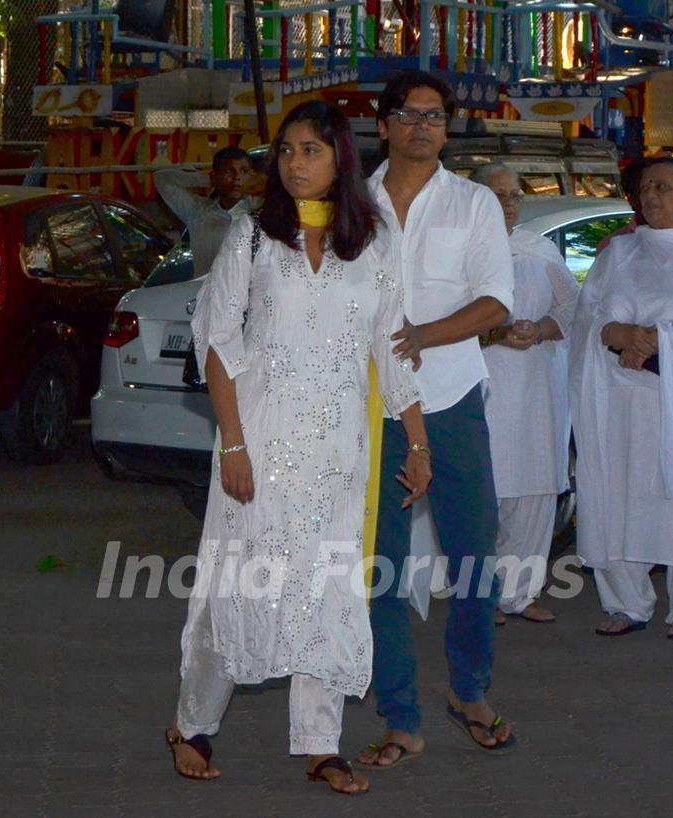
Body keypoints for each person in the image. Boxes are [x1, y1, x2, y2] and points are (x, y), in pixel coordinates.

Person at [165, 100, 432, 793]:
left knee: (325, 591)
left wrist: (416, 441)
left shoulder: (373, 241)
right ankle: (192, 722)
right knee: (240, 586)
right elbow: (217, 343)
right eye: (285, 151)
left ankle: (321, 743)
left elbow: (390, 345)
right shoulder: (253, 237)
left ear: (340, 158)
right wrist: (233, 447)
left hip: (339, 449)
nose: (294, 164)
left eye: (310, 150)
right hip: (257, 436)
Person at [357, 70, 516, 768]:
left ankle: (470, 690)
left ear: (447, 128)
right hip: (370, 408)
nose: (422, 125)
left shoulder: (474, 204)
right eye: (409, 114)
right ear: (384, 123)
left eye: (434, 115)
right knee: (381, 568)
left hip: (451, 401)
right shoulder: (351, 204)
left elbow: (497, 306)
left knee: (476, 552)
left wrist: (424, 335)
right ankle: (400, 716)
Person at [570, 156, 673, 640]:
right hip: (617, 395)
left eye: (664, 188)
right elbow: (587, 316)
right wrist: (615, 333)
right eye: (646, 188)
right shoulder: (618, 255)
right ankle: (626, 600)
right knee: (618, 491)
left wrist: (658, 340)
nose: (652, 196)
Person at [469, 163, 579, 625]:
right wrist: (492, 335)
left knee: (533, 489)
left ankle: (521, 593)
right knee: (483, 491)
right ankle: (479, 596)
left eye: (514, 195)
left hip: (536, 386)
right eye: (497, 195)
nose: (508, 203)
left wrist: (541, 329)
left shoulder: (538, 251)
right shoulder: (461, 252)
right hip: (482, 383)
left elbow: (573, 308)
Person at [154, 146, 253, 277]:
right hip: (205, 294)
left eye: (243, 171)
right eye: (229, 172)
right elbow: (162, 179)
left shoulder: (258, 212)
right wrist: (207, 180)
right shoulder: (198, 211)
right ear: (215, 175)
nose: (237, 178)